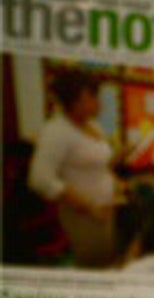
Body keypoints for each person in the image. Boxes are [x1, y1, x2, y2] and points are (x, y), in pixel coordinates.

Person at [27, 69, 119, 268]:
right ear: (72, 100)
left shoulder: (94, 125)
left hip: (105, 210)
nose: (98, 103)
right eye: (91, 97)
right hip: (83, 215)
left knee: (105, 264)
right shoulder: (56, 131)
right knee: (90, 270)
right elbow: (39, 179)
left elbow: (96, 164)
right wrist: (89, 206)